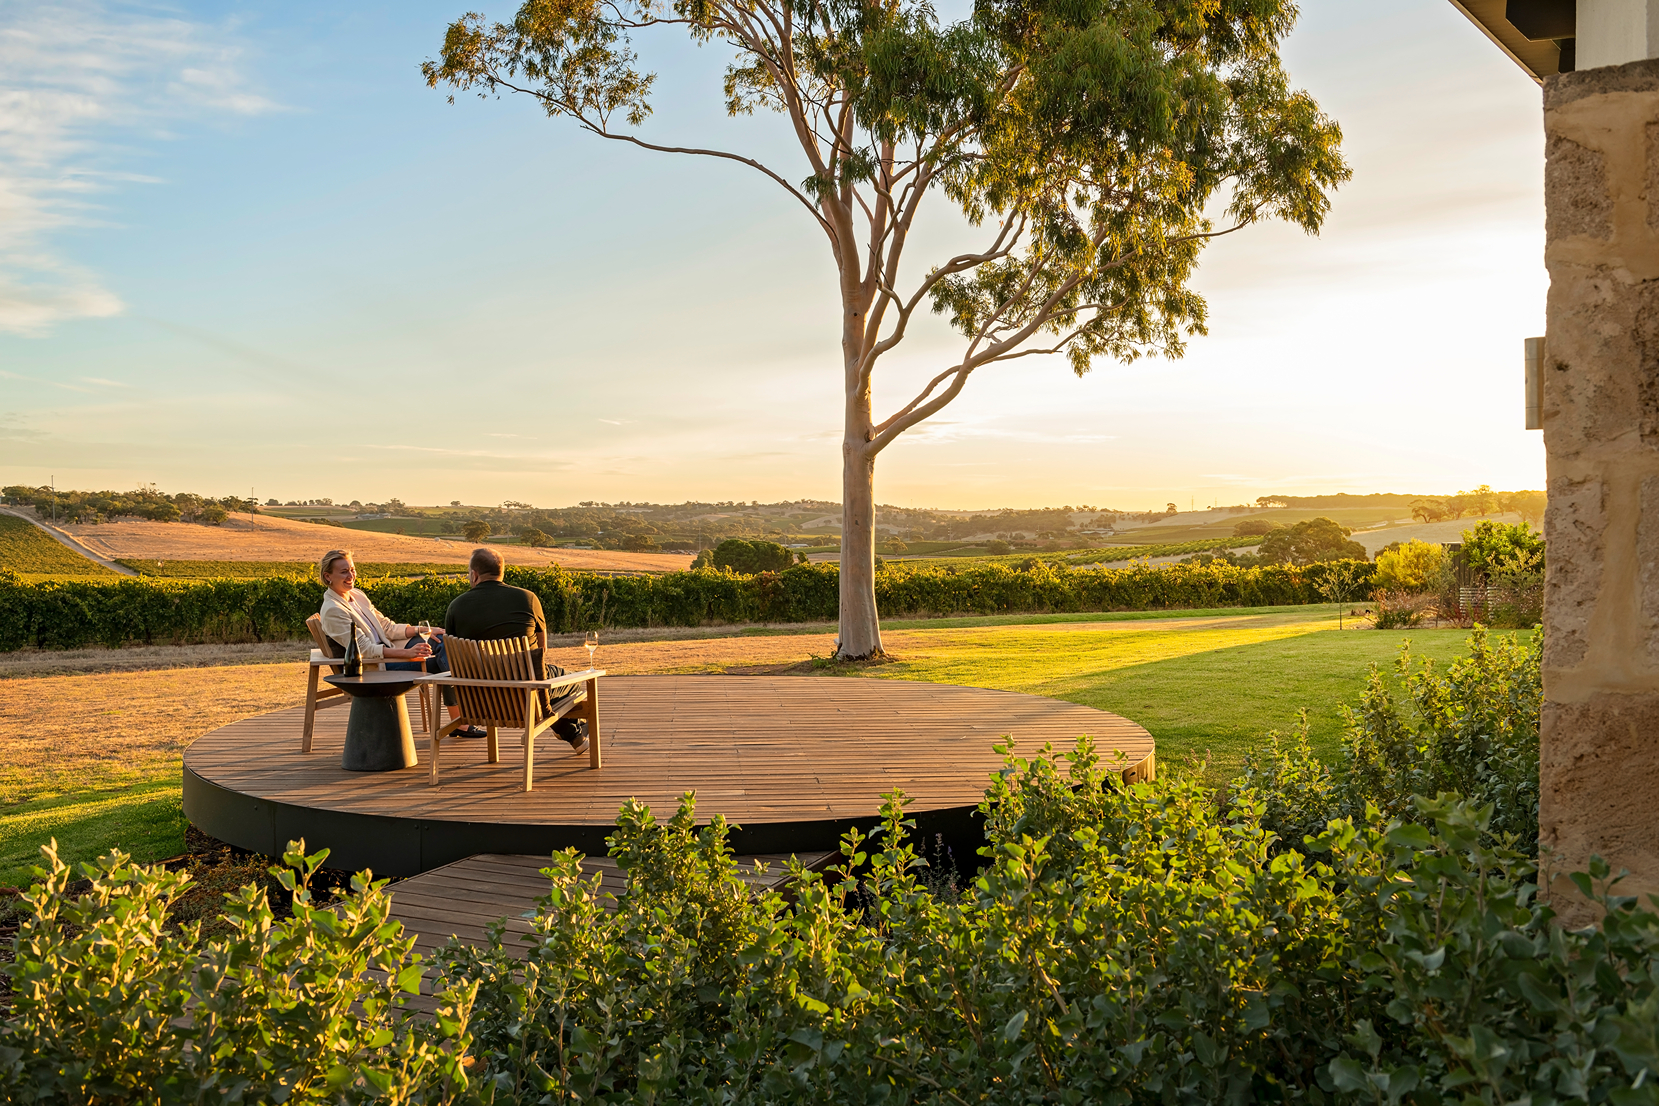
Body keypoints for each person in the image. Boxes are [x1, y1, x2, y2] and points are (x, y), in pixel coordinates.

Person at [444, 546, 587, 754]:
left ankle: (573, 735)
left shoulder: (456, 606)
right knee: (573, 681)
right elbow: (541, 650)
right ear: (501, 572)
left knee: (543, 684)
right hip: (526, 696)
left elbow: (452, 655)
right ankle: (571, 732)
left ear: (474, 575)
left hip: (478, 700)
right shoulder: (527, 599)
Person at [317, 549, 469, 733]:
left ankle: (461, 719)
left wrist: (424, 630)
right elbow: (364, 650)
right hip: (376, 667)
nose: (351, 575)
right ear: (328, 576)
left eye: (352, 569)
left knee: (444, 641)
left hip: (389, 652)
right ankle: (464, 713)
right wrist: (407, 654)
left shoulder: (356, 596)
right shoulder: (333, 610)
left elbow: (387, 628)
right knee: (445, 659)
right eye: (344, 572)